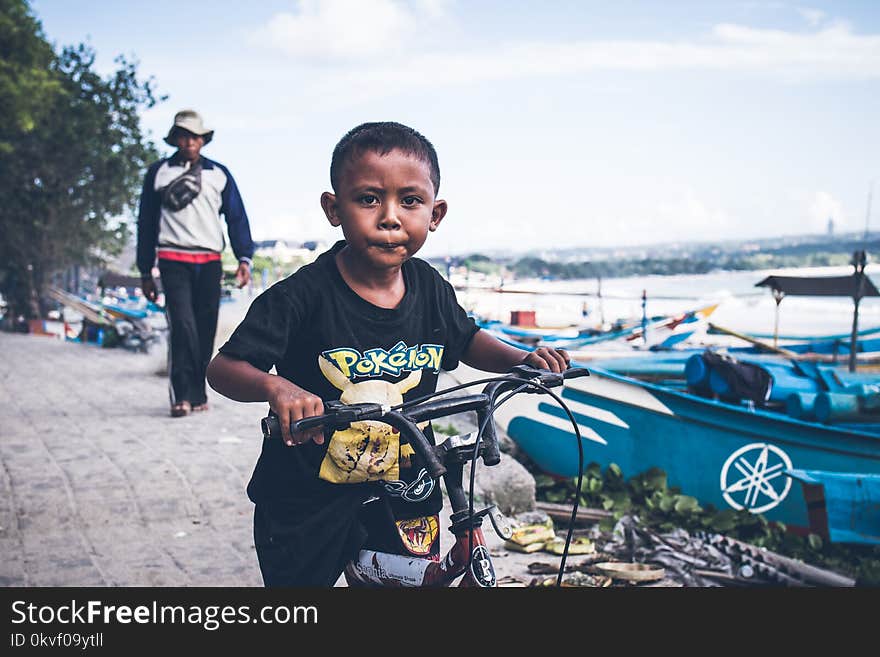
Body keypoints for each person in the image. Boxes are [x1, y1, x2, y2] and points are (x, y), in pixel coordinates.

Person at [205, 121, 569, 587]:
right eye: (369, 199)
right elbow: (224, 368)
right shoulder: (301, 296)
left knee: (413, 584)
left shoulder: (432, 288)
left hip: (405, 485)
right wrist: (277, 387)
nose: (390, 217)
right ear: (334, 209)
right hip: (306, 492)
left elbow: (467, 339)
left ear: (434, 214)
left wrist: (523, 359)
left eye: (410, 201)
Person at [137, 109, 255, 418]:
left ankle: (199, 392)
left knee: (205, 328)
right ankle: (181, 395)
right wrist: (144, 270)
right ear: (175, 139)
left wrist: (244, 258)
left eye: (195, 136)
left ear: (203, 140)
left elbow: (237, 218)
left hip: (209, 261)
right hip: (173, 259)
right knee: (183, 326)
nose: (189, 141)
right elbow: (146, 223)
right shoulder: (158, 173)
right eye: (184, 136)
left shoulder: (219, 174)